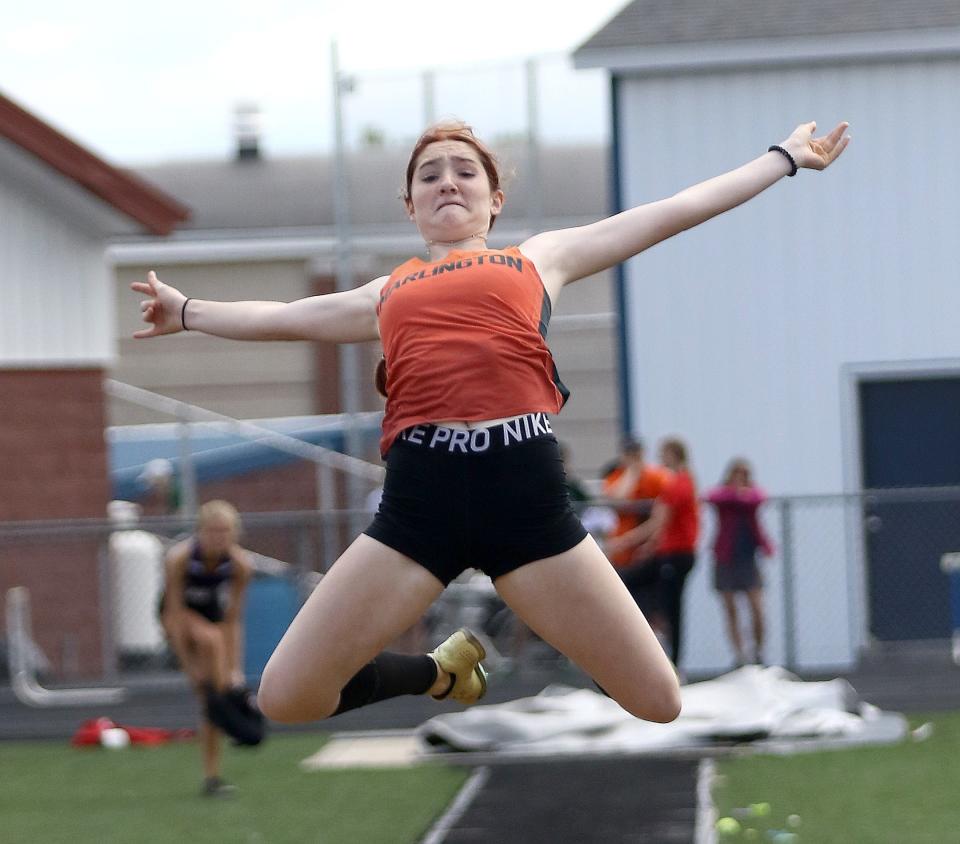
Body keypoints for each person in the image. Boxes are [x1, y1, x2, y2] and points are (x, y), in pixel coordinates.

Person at [133, 117, 848, 727]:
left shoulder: (539, 259)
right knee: (287, 697)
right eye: (430, 175)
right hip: (420, 510)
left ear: (495, 199)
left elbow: (672, 210)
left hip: (527, 506)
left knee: (658, 700)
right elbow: (283, 318)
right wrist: (187, 311)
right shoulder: (389, 291)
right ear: (410, 206)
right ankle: (437, 675)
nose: (448, 181)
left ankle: (472, 663)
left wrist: (782, 160)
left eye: (465, 172)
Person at [159, 499, 254, 796]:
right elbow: (173, 615)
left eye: (225, 531)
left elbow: (233, 620)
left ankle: (212, 776)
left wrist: (234, 669)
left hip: (212, 620)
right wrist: (188, 667)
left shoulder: (240, 565)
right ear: (199, 531)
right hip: (177, 617)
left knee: (216, 696)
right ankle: (221, 712)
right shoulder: (180, 559)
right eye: (212, 531)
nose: (219, 538)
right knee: (209, 644)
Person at [608, 438, 699, 670]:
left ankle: (672, 661)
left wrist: (626, 542)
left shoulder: (675, 483)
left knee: (669, 607)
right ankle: (658, 652)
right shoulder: (680, 481)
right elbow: (617, 498)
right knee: (640, 591)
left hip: (674, 554)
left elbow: (659, 521)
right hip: (662, 554)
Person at [705, 458, 774, 667]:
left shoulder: (752, 496)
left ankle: (758, 651)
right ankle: (739, 654)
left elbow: (758, 498)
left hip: (747, 558)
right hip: (726, 557)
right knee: (730, 608)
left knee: (757, 607)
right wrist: (735, 494)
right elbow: (712, 496)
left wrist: (740, 497)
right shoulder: (723, 496)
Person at [602, 438, 671, 570]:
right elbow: (617, 500)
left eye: (635, 453)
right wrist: (632, 473)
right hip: (623, 548)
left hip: (651, 547)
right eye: (629, 453)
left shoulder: (656, 476)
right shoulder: (616, 477)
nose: (633, 457)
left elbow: (664, 513)